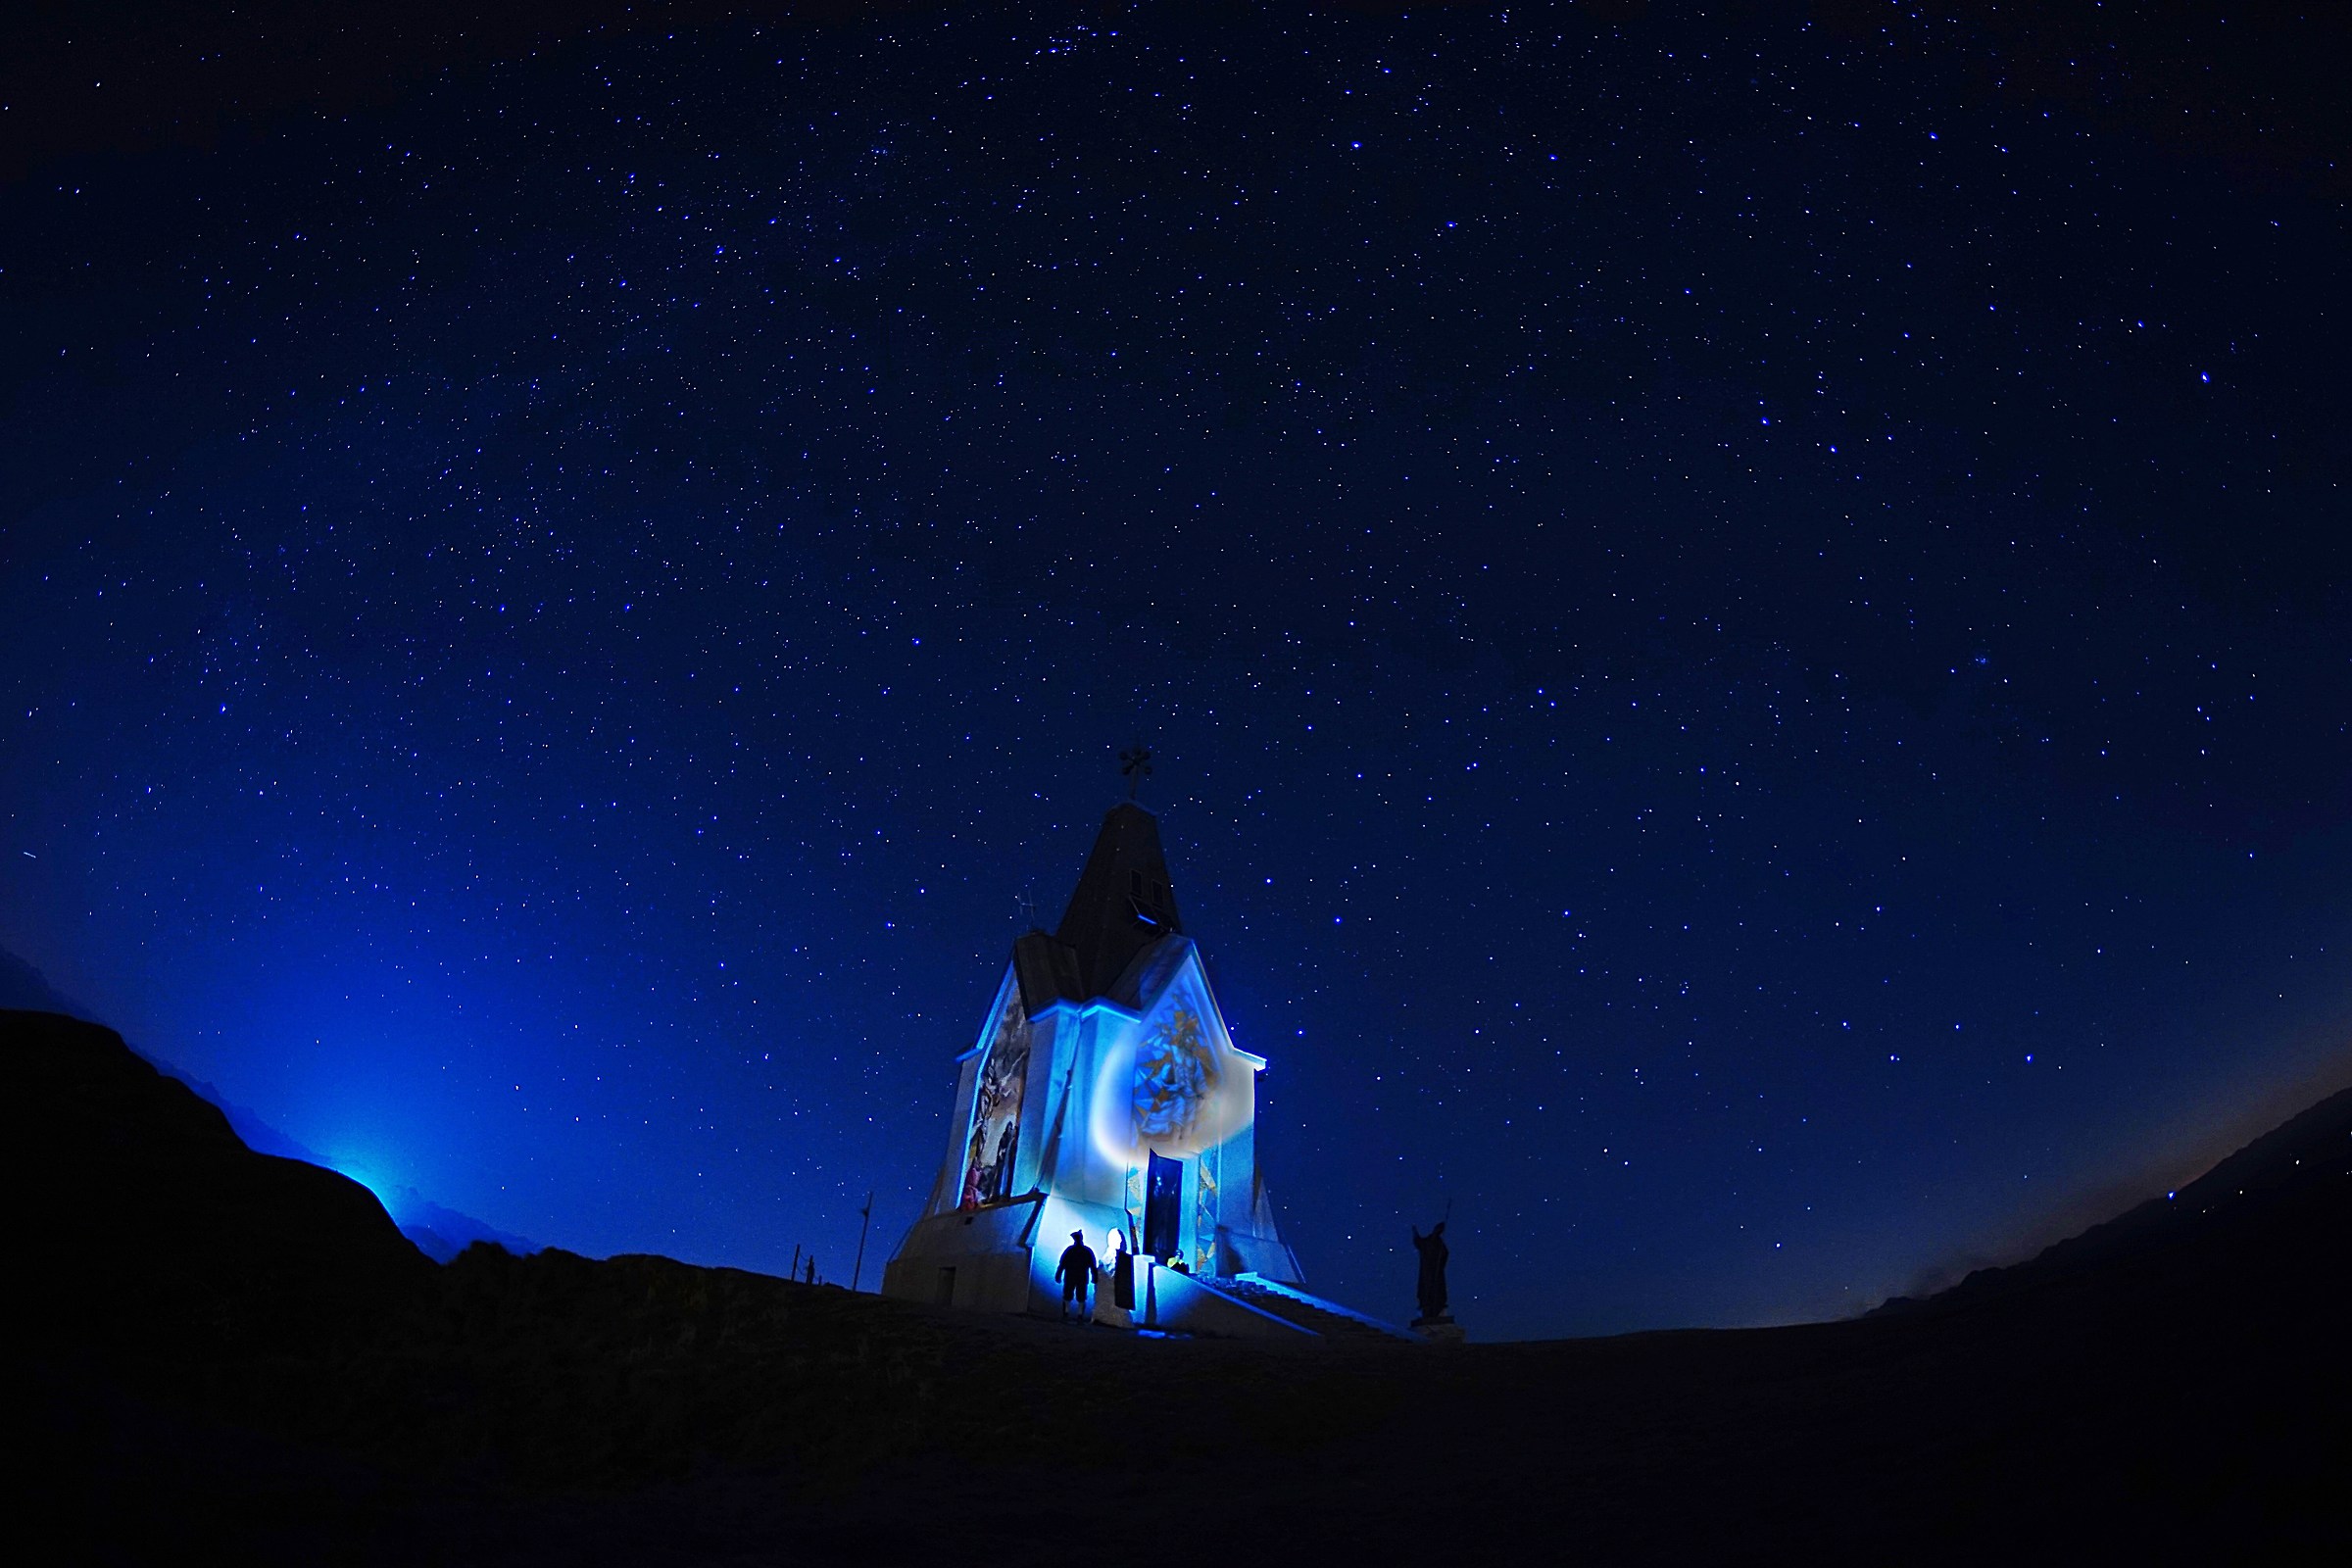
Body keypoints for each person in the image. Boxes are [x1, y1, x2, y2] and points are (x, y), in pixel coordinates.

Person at [1410, 1220, 1449, 1322]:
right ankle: (1427, 1307)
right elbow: (1418, 1242)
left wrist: (1439, 1261)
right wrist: (1414, 1231)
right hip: (1427, 1272)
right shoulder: (1427, 1241)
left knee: (1438, 1289)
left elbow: (1445, 1254)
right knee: (1426, 1289)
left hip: (1436, 1272)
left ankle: (1437, 1308)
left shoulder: (1439, 1243)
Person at [1055, 1229, 1099, 1321]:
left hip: (1074, 1276)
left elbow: (1062, 1264)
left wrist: (1058, 1274)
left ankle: (1071, 1314)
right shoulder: (1086, 1251)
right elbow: (1092, 1266)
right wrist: (1094, 1276)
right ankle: (1075, 1315)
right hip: (1078, 1277)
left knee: (1075, 1295)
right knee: (1075, 1295)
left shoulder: (1071, 1250)